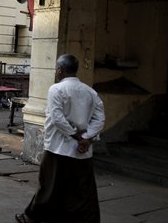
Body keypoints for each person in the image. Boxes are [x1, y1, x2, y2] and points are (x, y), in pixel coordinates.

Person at [15, 54, 105, 223]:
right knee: (82, 190)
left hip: (58, 147)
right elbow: (99, 119)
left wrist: (77, 137)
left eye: (56, 68)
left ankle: (33, 218)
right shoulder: (90, 91)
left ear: (60, 70)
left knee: (49, 186)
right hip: (82, 150)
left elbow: (57, 118)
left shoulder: (56, 89)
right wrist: (86, 138)